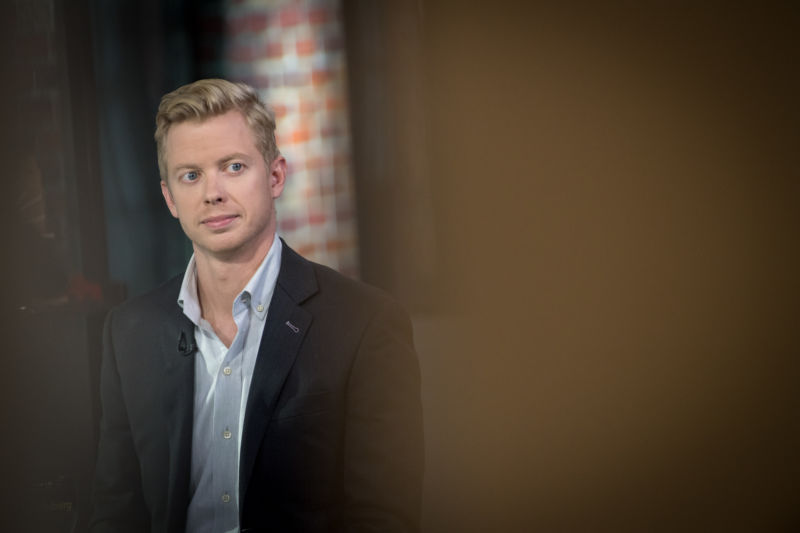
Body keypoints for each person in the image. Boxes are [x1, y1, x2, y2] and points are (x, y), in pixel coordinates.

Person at [89, 79, 424, 532]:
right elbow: (115, 510)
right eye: (191, 175)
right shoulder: (128, 332)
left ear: (275, 176)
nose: (212, 192)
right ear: (170, 197)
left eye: (232, 166)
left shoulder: (365, 324)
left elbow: (383, 517)